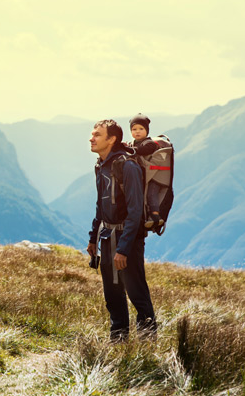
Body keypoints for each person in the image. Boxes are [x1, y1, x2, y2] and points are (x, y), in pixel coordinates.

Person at [87, 119, 157, 342]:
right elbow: (101, 204)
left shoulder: (128, 166)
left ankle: (147, 344)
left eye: (97, 134)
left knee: (137, 293)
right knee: (113, 295)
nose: (92, 138)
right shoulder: (101, 165)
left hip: (127, 241)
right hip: (107, 238)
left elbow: (135, 212)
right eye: (92, 134)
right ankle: (118, 342)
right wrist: (92, 238)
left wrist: (124, 249)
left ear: (112, 139)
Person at [128, 113, 164, 231]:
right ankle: (147, 217)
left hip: (154, 177)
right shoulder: (133, 143)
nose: (137, 132)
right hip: (144, 176)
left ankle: (155, 216)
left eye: (141, 129)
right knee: (143, 197)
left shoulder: (150, 144)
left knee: (151, 194)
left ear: (147, 131)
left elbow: (142, 151)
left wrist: (128, 149)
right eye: (134, 129)